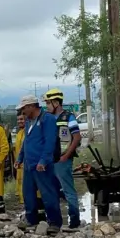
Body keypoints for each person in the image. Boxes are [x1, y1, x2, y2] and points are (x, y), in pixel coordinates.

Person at [16, 95, 63, 233]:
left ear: (31, 106)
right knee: (28, 193)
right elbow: (27, 141)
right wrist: (20, 158)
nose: (23, 111)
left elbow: (50, 142)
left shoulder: (47, 119)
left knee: (48, 193)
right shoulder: (29, 121)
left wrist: (43, 160)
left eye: (24, 108)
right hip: (29, 164)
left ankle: (54, 222)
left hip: (42, 165)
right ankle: (31, 219)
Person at [43, 88, 82, 229]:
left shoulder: (68, 117)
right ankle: (54, 220)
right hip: (50, 160)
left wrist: (66, 155)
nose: (46, 106)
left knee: (67, 190)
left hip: (62, 160)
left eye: (48, 103)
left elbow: (77, 137)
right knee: (52, 191)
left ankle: (74, 220)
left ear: (56, 103)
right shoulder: (47, 118)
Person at [13, 111, 47, 222]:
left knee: (37, 192)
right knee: (26, 192)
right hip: (22, 167)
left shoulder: (31, 132)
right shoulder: (19, 134)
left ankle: (40, 215)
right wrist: (18, 161)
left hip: (33, 166)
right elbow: (21, 150)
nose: (20, 122)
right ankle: (30, 215)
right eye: (18, 120)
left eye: (22, 119)